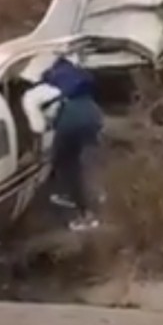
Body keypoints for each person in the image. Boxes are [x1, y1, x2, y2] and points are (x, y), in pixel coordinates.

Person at [38, 55, 103, 232]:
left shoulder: (50, 75)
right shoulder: (79, 74)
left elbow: (42, 98)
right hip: (93, 114)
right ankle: (90, 197)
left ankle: (84, 212)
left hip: (70, 119)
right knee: (83, 160)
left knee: (61, 160)